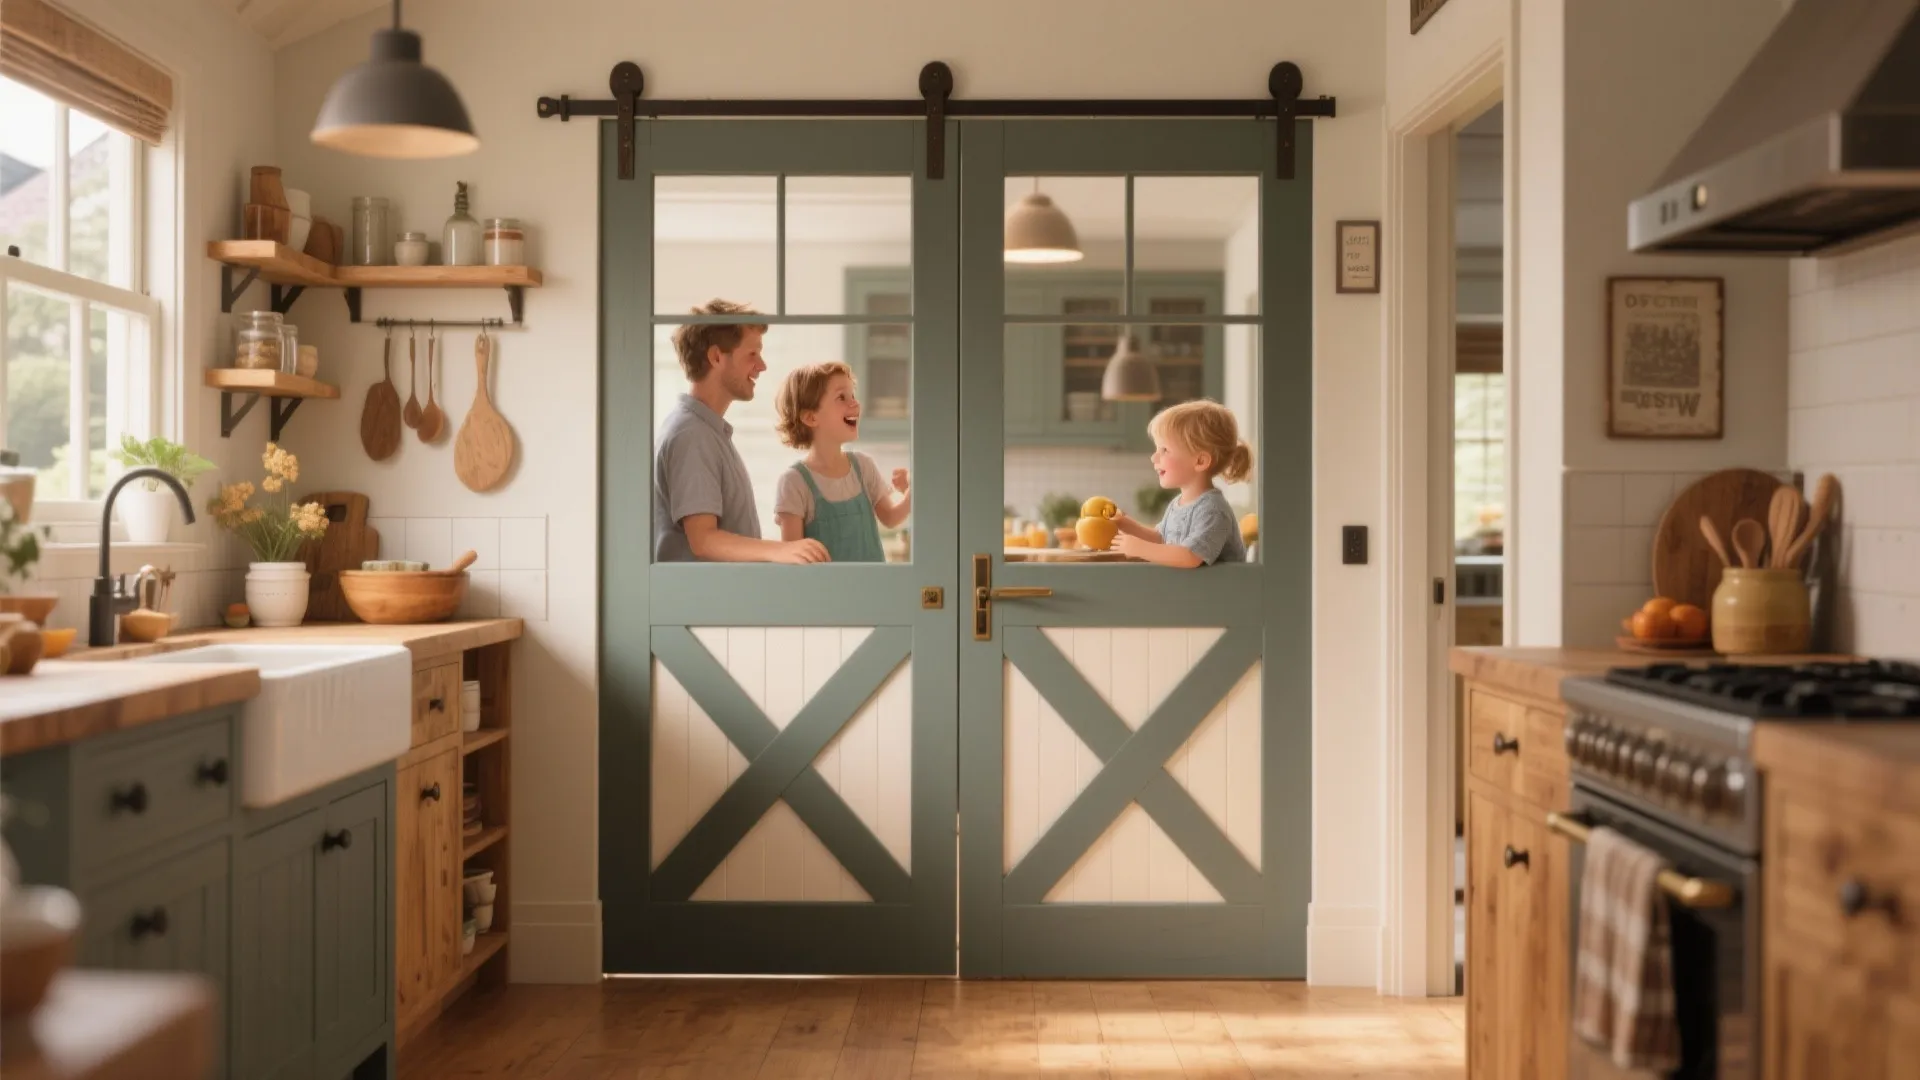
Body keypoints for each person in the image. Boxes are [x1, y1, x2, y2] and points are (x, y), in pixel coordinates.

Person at [652, 300, 829, 564]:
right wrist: (780, 550)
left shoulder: (707, 431)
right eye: (752, 354)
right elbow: (703, 540)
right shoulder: (692, 435)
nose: (762, 365)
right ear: (716, 357)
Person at [771, 362, 911, 563]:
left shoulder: (864, 467)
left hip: (872, 592)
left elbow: (891, 517)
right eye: (841, 397)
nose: (855, 403)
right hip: (824, 594)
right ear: (811, 417)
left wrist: (912, 491)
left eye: (852, 395)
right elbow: (792, 561)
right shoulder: (794, 483)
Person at [1111, 399, 1251, 568]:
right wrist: (1127, 525)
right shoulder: (1178, 504)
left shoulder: (1213, 510)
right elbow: (1162, 540)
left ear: (1200, 461)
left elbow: (1189, 556)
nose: (1154, 458)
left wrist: (1139, 548)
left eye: (1164, 450)